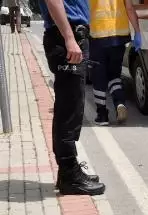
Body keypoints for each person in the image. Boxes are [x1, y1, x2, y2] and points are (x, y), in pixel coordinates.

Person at [39, 0, 106, 195]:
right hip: (65, 36)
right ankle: (69, 174)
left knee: (71, 106)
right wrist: (69, 37)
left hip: (72, 34)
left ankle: (68, 170)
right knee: (69, 108)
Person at [89, 0, 141, 126]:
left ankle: (102, 115)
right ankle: (120, 103)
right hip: (119, 36)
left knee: (98, 77)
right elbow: (129, 8)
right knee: (114, 75)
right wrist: (137, 31)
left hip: (97, 35)